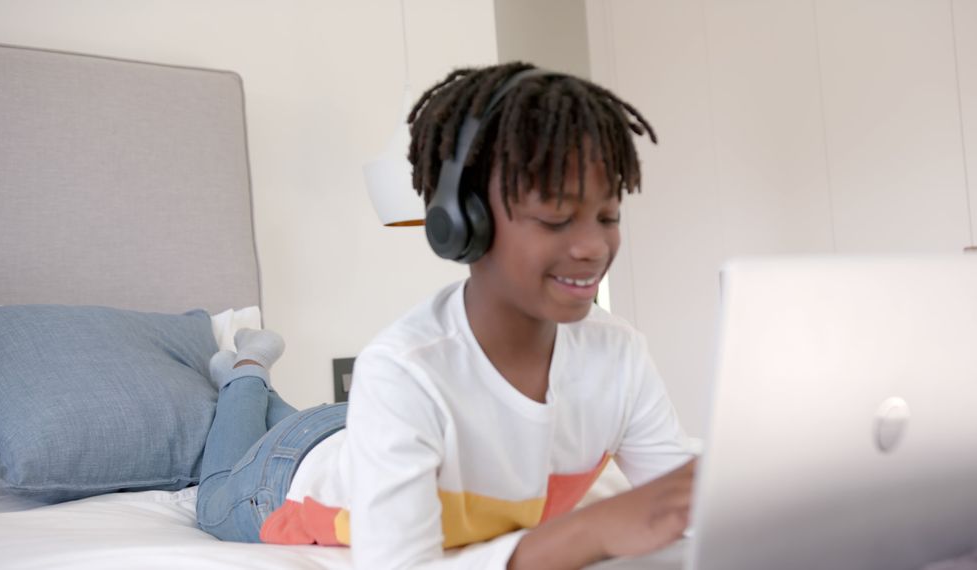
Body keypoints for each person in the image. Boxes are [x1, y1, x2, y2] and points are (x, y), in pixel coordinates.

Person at [195, 61, 696, 569]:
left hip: (356, 430)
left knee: (324, 420)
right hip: (283, 478)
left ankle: (260, 386)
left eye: (607, 217)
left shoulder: (620, 353)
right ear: (462, 223)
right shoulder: (402, 370)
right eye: (556, 219)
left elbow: (686, 507)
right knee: (211, 486)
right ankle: (245, 373)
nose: (592, 246)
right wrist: (587, 532)